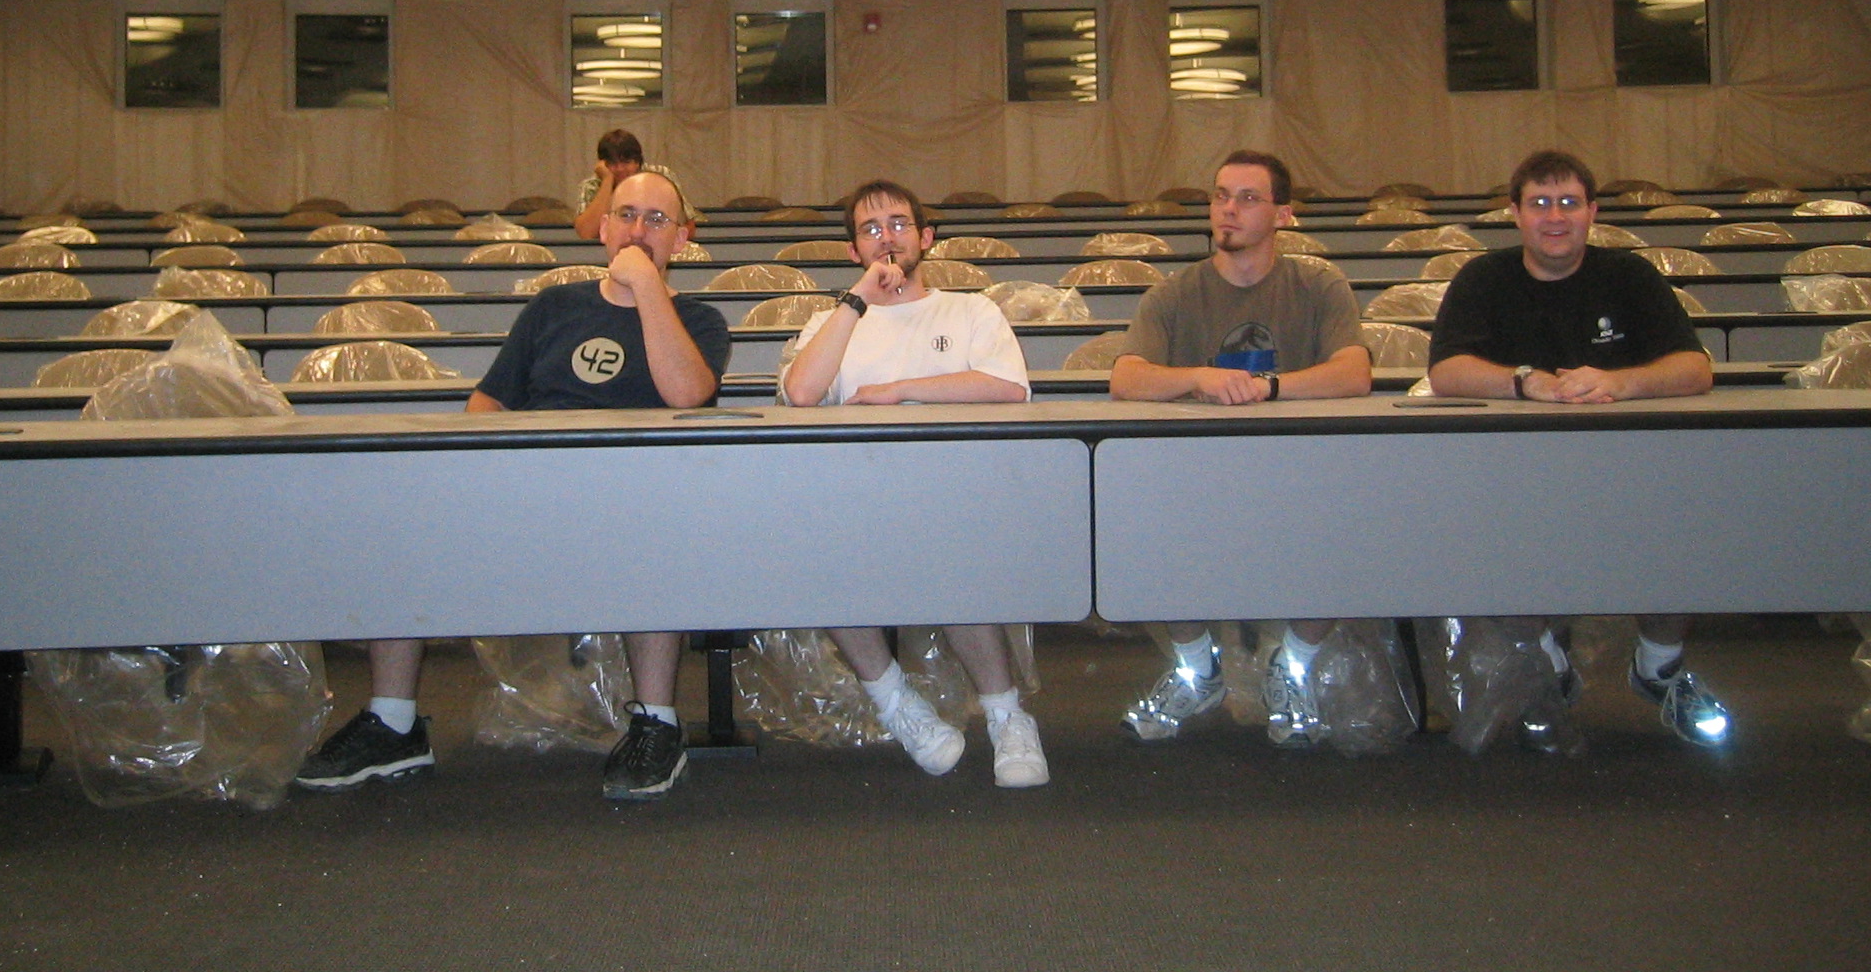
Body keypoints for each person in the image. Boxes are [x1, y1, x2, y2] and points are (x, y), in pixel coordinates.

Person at [297, 169, 731, 800]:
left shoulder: (699, 320)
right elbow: (489, 403)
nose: (638, 230)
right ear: (603, 229)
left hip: (636, 496)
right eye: (626, 215)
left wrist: (644, 287)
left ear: (683, 240)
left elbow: (688, 395)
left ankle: (657, 724)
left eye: (657, 220)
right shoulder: (553, 308)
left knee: (654, 520)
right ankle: (393, 725)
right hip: (529, 488)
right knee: (402, 517)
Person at [1428, 148, 1731, 749]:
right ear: (1515, 213)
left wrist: (1621, 382)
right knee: (1492, 541)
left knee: (1684, 527)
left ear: (1592, 212)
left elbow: (1695, 367)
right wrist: (1526, 382)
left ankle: (1659, 668)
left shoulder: (1630, 276)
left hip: (1629, 470)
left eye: (1569, 202)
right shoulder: (1483, 279)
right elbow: (1446, 371)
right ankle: (1546, 666)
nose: (1555, 216)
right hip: (1513, 473)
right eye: (1539, 203)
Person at [778, 179, 1049, 788]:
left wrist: (899, 391)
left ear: (926, 237)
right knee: (816, 550)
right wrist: (857, 301)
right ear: (853, 251)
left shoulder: (971, 310)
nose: (887, 238)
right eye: (870, 230)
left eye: (899, 224)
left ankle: (1007, 716)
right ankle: (896, 703)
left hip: (956, 491)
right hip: (856, 495)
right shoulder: (833, 319)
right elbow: (801, 393)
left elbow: (1008, 388)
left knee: (953, 552)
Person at [1109, 150, 1373, 748]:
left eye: (1248, 198)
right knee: (1135, 519)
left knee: (1352, 519)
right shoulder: (1176, 294)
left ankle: (1294, 664)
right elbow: (1126, 378)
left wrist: (1269, 388)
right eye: (1221, 195)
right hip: (1201, 473)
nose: (1228, 209)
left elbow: (1354, 372)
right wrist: (1198, 377)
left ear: (1283, 214)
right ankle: (1196, 669)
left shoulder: (1318, 285)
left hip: (1300, 468)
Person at [575, 128, 680, 241]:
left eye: (626, 162)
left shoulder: (661, 176)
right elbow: (586, 234)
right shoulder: (591, 185)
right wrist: (607, 181)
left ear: (638, 162)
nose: (620, 169)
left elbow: (686, 224)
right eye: (612, 163)